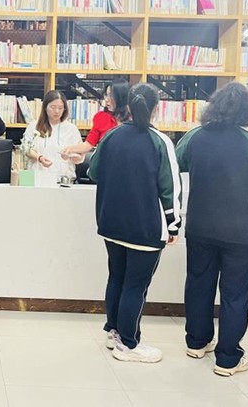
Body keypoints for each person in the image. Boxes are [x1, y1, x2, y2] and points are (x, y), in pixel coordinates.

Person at [175, 83, 248, 377]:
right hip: (241, 232)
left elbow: (176, 162)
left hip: (200, 226)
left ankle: (196, 342)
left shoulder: (194, 136)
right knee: (236, 294)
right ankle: (228, 358)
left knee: (198, 284)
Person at [88, 83, 181, 363]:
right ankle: (128, 344)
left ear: (127, 105)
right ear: (156, 109)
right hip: (145, 225)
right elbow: (170, 187)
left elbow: (93, 171)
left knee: (116, 277)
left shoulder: (112, 136)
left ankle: (113, 331)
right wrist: (173, 225)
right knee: (136, 285)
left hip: (111, 221)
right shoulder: (159, 141)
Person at [20, 90, 82, 180]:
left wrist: (72, 156)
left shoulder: (71, 129)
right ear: (45, 107)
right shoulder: (34, 126)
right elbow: (25, 148)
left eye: (60, 108)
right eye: (53, 107)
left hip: (63, 178)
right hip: (36, 177)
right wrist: (39, 158)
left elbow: (79, 155)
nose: (57, 111)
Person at [62, 80, 129, 158]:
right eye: (106, 95)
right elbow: (88, 144)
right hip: (107, 161)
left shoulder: (134, 119)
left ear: (121, 97)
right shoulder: (101, 117)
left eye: (111, 96)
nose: (106, 99)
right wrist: (70, 149)